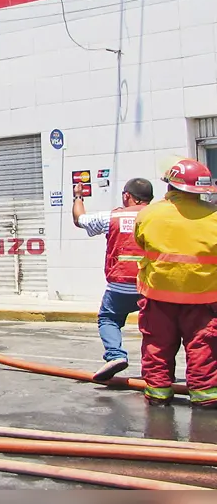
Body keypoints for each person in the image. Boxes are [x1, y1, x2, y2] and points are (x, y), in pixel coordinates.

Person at [134, 158, 217, 407]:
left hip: (158, 296)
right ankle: (205, 397)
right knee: (203, 348)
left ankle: (158, 394)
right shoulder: (214, 217)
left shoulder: (148, 214)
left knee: (157, 346)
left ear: (171, 186)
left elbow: (141, 243)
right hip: (203, 299)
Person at [72, 177, 154, 381]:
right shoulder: (160, 217)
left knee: (108, 319)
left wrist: (78, 196)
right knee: (154, 328)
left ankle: (116, 355)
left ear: (127, 196)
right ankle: (155, 369)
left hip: (119, 285)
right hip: (151, 285)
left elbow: (79, 219)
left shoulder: (112, 218)